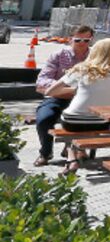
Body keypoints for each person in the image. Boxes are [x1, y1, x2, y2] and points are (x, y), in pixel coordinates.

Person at [49, 38, 110, 172]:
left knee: (67, 124)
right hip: (102, 120)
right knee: (87, 126)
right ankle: (78, 152)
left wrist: (76, 90)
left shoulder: (82, 68)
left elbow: (51, 91)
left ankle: (71, 157)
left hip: (73, 120)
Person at [32, 26, 94, 166]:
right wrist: (67, 86)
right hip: (57, 97)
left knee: (91, 119)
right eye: (78, 40)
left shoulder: (95, 57)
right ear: (70, 39)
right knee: (43, 119)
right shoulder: (59, 55)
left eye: (86, 40)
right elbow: (42, 80)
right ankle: (46, 153)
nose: (82, 43)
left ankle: (74, 149)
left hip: (82, 99)